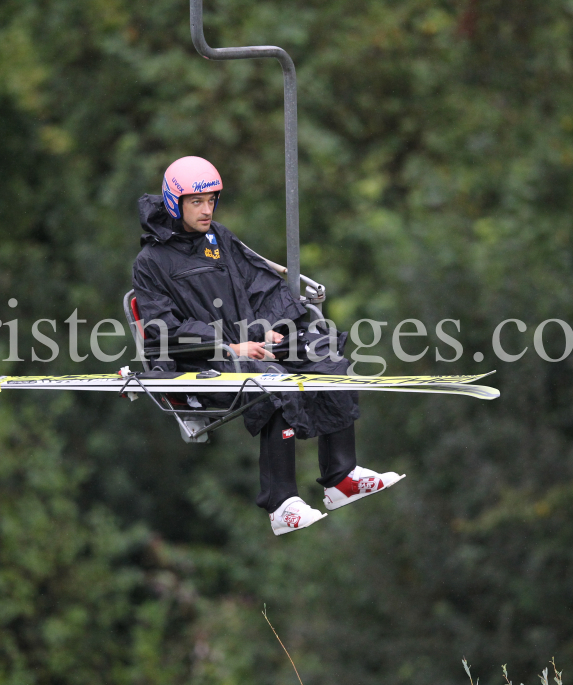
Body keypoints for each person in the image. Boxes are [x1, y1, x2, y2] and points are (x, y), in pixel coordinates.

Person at [132, 156, 404, 536]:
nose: (207, 209)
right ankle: (280, 504)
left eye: (212, 200)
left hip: (249, 347)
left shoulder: (219, 238)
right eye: (197, 202)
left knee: (322, 351)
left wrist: (271, 328)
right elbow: (163, 332)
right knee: (273, 380)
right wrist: (231, 347)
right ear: (175, 202)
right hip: (201, 363)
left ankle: (341, 478)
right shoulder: (150, 262)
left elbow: (260, 286)